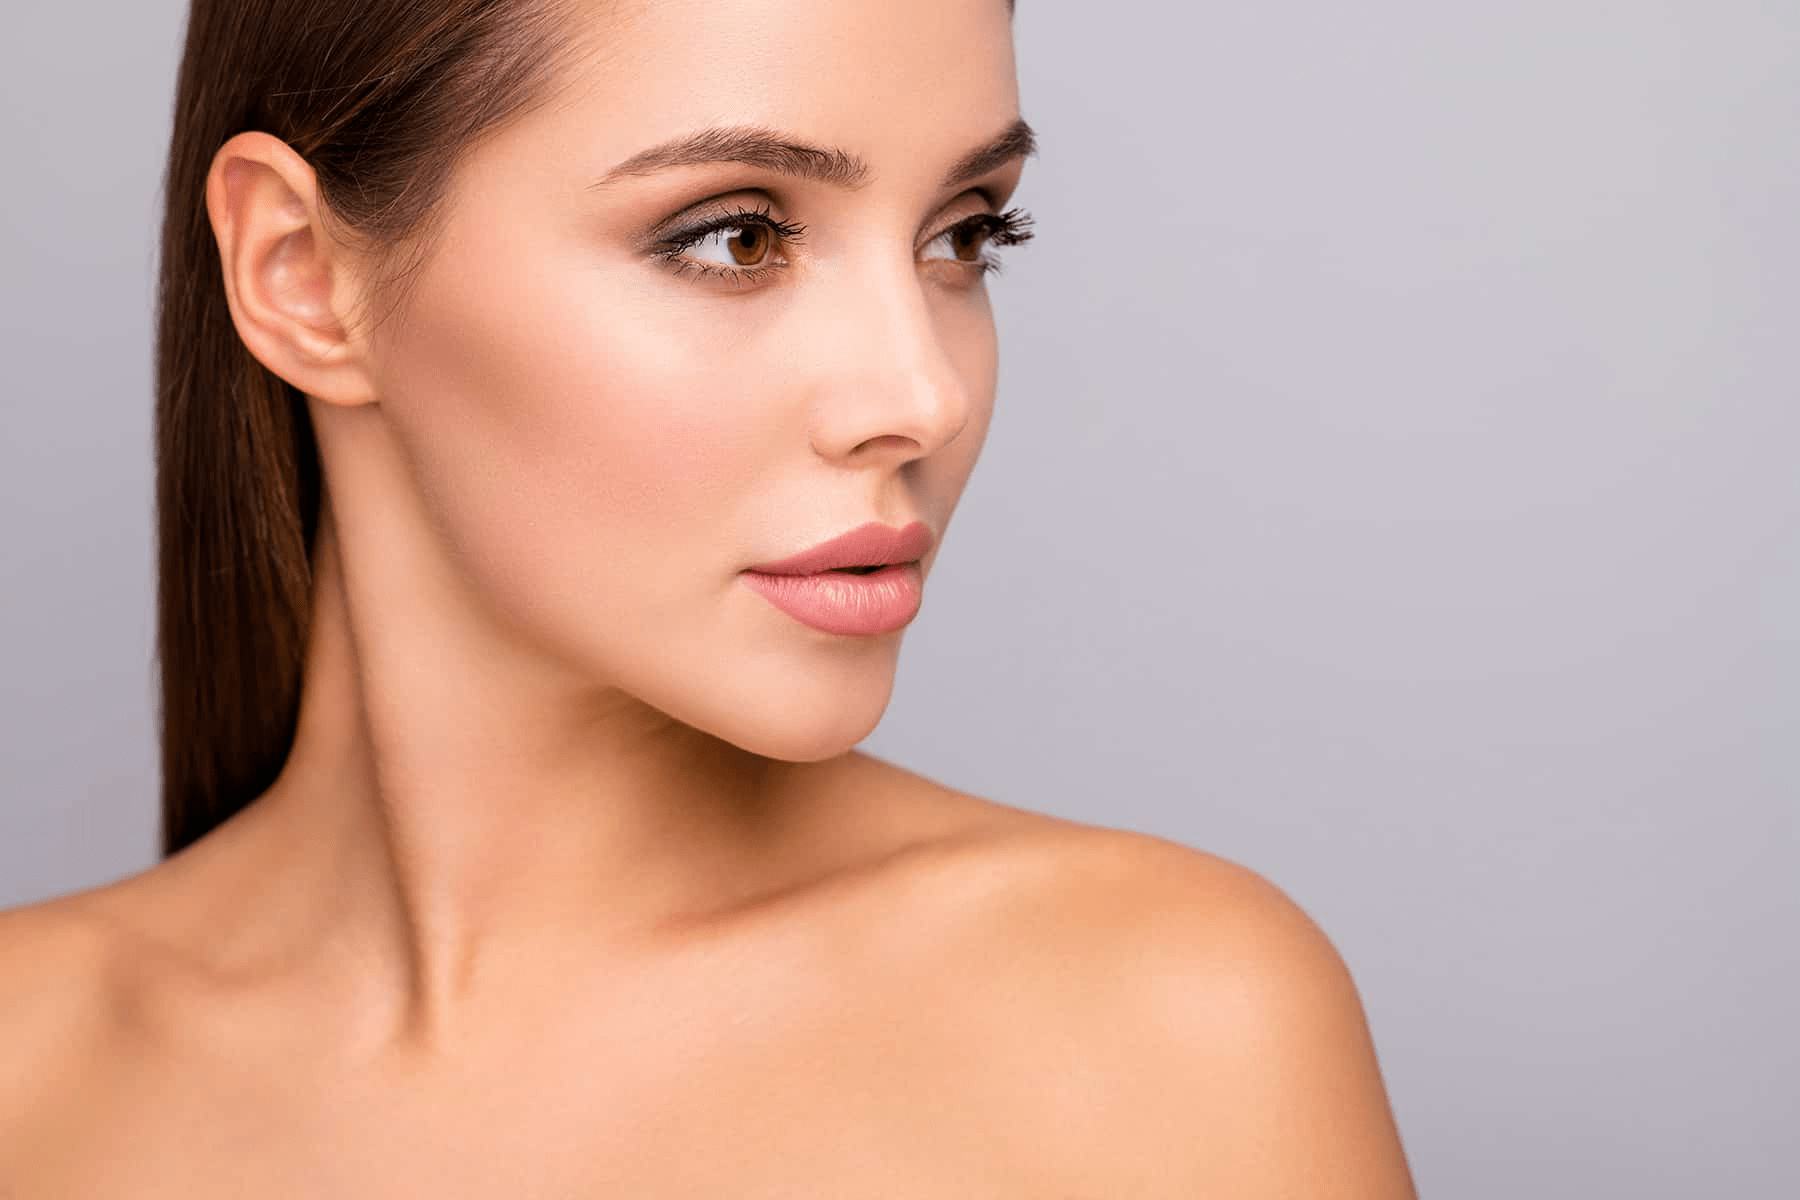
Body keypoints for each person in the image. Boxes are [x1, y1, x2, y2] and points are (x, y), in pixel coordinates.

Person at [0, 0, 1417, 1192]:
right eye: (737, 237)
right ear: (302, 275)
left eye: (963, 235)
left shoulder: (1163, 1026)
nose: (920, 395)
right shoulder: (29, 1068)